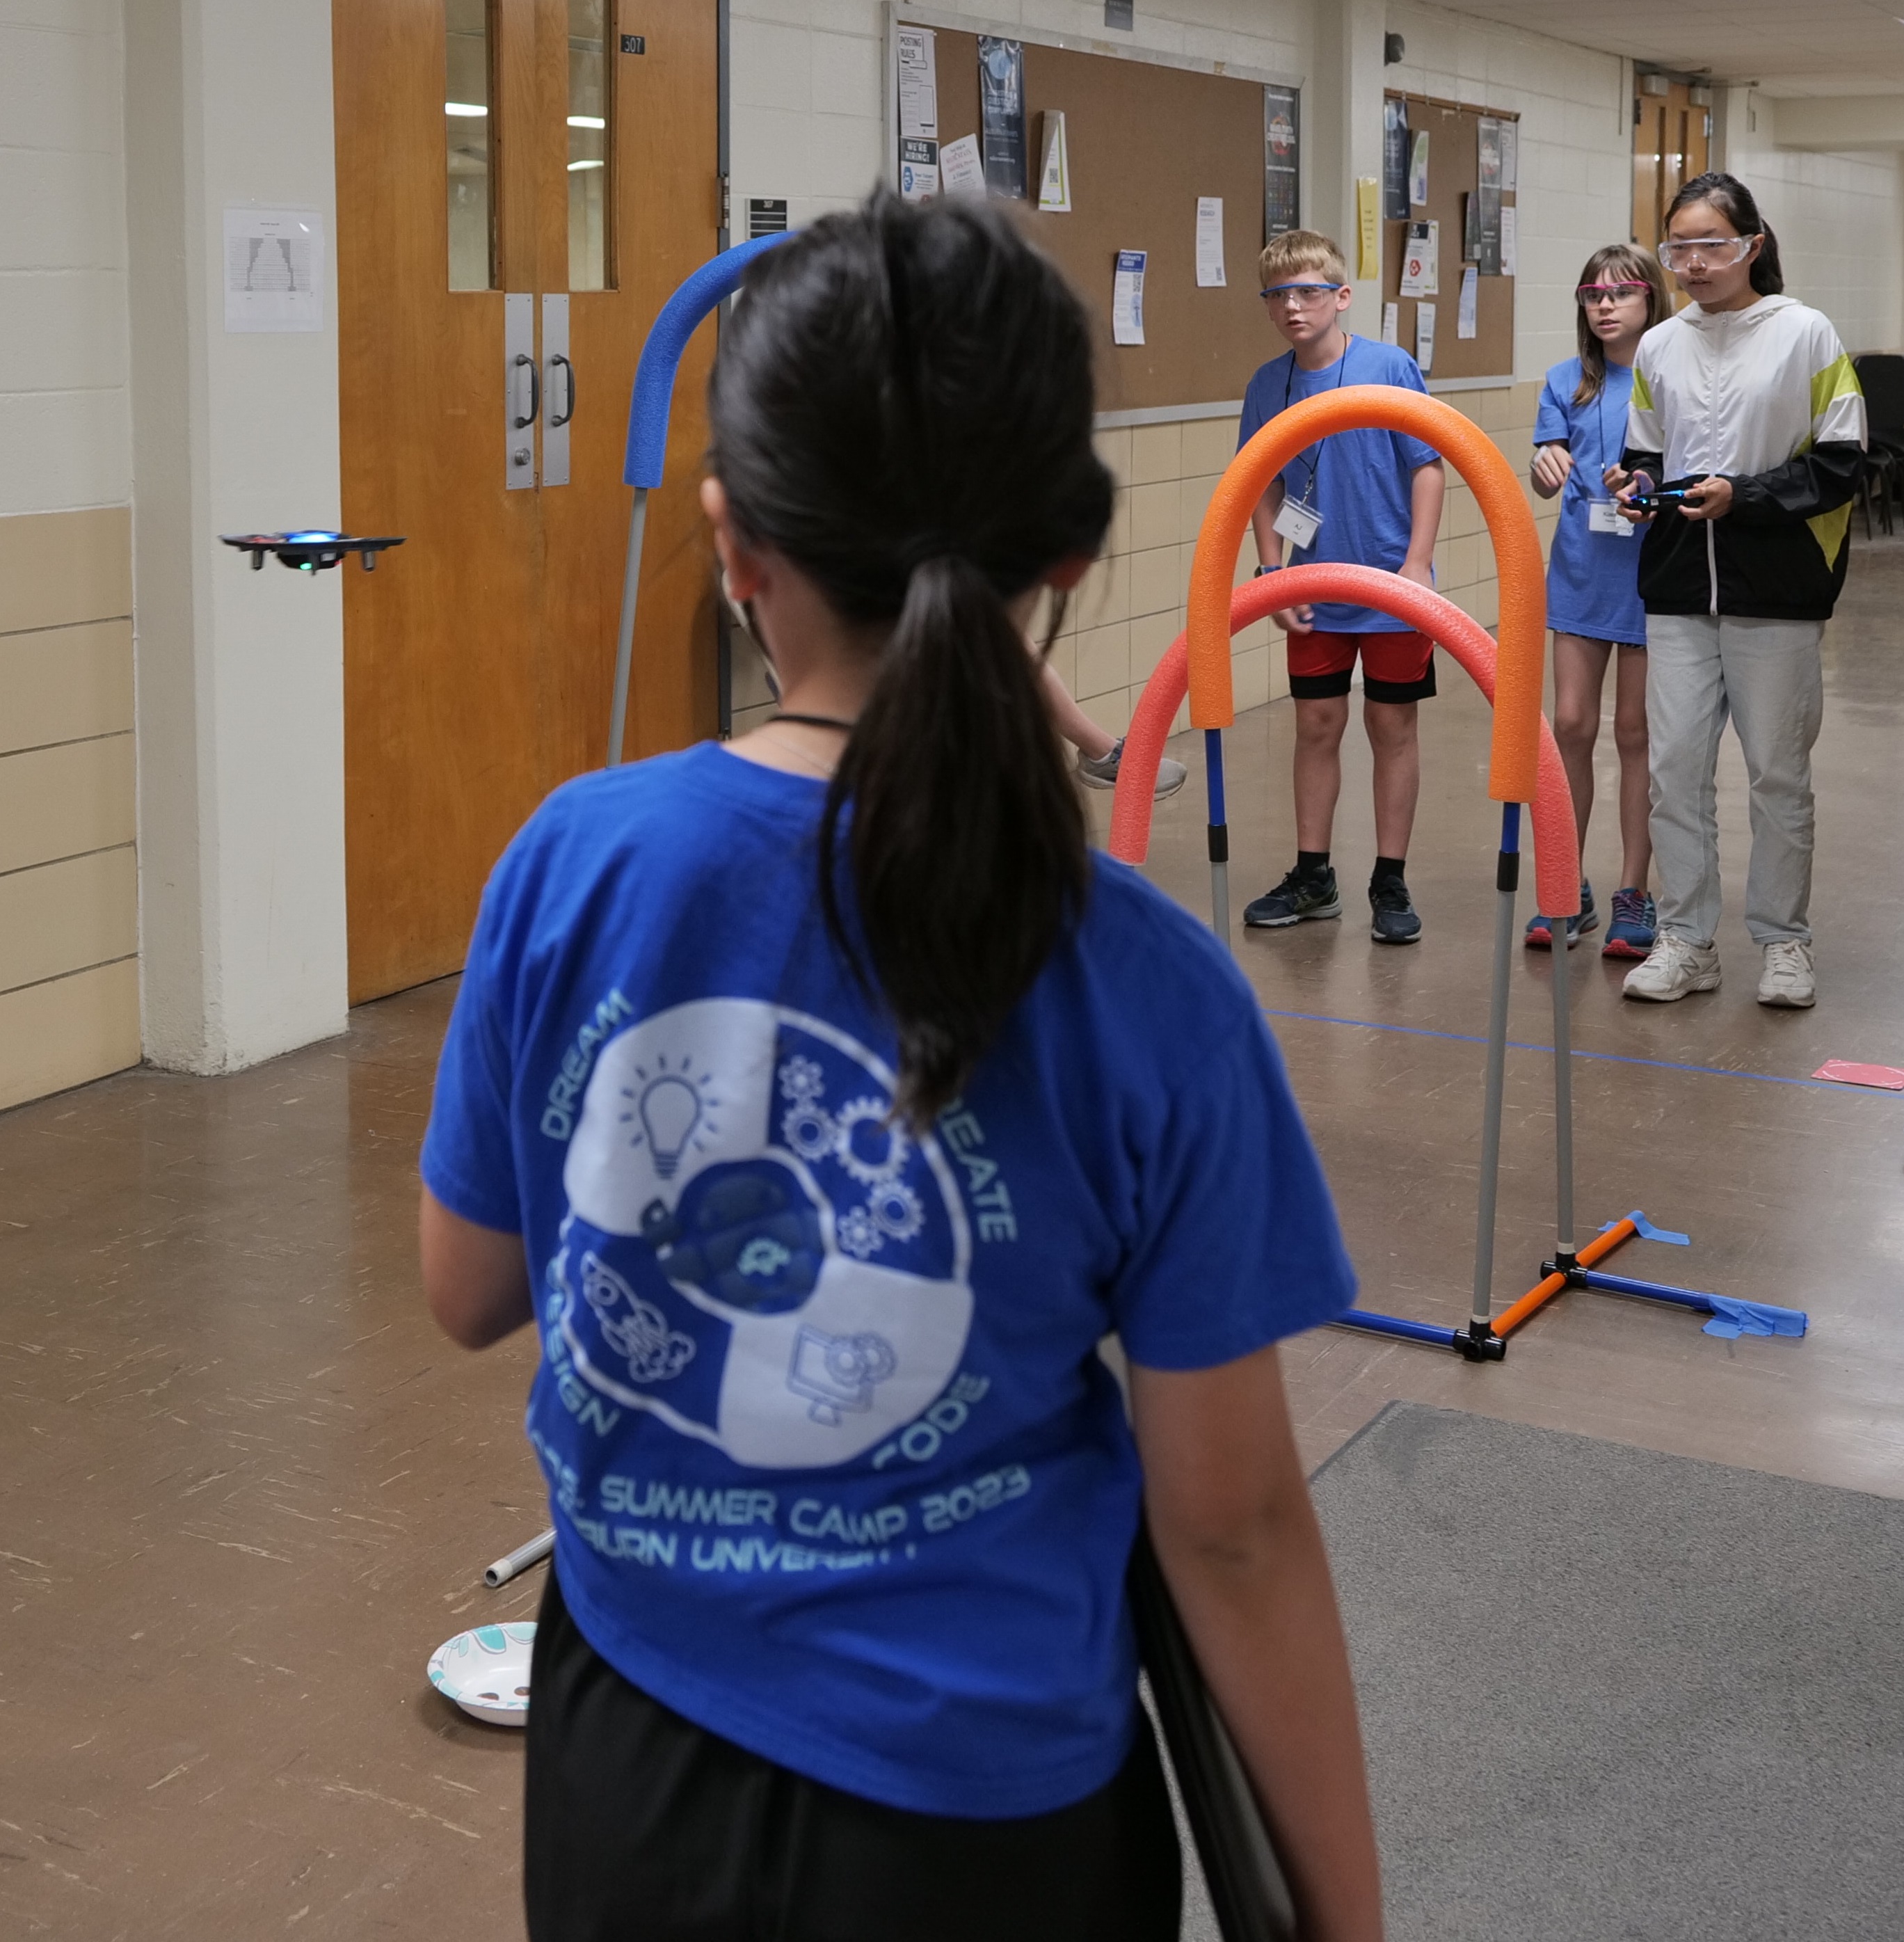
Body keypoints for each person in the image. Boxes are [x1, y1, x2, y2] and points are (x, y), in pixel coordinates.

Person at [417, 193, 1383, 1942]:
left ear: (732, 543)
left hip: (630, 1754)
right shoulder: (1151, 981)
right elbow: (1230, 1524)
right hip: (990, 1818)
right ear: (1070, 556)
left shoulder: (578, 858)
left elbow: (469, 1280)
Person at [1610, 173, 1864, 1008]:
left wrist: (1741, 496)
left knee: (1775, 776)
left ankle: (1783, 944)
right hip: (1678, 590)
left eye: (1711, 243)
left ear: (1752, 244)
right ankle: (1686, 941)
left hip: (1777, 593)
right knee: (1673, 773)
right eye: (1678, 245)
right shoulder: (1658, 345)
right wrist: (1633, 484)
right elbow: (1648, 450)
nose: (1692, 261)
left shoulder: (1805, 335)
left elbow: (1839, 463)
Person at [1239, 229, 1446, 946]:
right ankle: (1312, 874)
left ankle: (1389, 878)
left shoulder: (1389, 366)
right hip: (1313, 588)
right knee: (1315, 726)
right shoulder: (1269, 384)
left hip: (1391, 584)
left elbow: (1427, 465)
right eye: (1278, 295)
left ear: (1341, 297)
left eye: (1308, 291)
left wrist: (1417, 564)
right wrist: (1272, 571)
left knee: (1390, 727)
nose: (1293, 306)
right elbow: (1259, 483)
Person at [1523, 244, 1672, 956]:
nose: (1604, 305)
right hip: (1581, 573)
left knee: (1636, 733)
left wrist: (1647, 489)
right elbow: (1546, 469)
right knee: (1572, 724)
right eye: (1592, 295)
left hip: (1649, 577)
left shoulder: (1671, 376)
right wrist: (1542, 467)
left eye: (1619, 293)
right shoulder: (1564, 382)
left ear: (1650, 300)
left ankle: (1634, 891)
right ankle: (1565, 885)